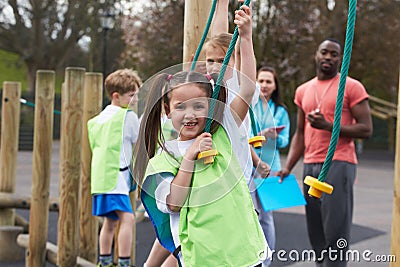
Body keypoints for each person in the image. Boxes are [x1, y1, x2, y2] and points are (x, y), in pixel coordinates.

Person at [278, 38, 372, 267]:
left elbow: (366, 129)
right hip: (310, 164)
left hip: (338, 163)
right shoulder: (303, 90)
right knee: (316, 231)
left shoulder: (351, 86)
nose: (328, 57)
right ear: (316, 55)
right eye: (324, 52)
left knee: (336, 231)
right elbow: (300, 133)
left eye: (334, 54)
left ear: (340, 58)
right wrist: (288, 166)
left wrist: (329, 126)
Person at [87, 69, 142, 267]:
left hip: (101, 178)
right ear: (116, 96)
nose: (135, 100)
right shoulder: (127, 117)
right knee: (128, 218)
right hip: (116, 177)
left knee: (110, 222)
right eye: (131, 95)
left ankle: (105, 261)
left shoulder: (95, 121)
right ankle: (124, 262)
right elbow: (139, 143)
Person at [253, 65, 290, 267]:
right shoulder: (249, 106)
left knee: (267, 216)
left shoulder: (281, 111)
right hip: (249, 164)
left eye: (269, 81)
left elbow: (285, 141)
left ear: (275, 86)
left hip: (270, 167)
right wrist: (260, 136)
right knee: (251, 213)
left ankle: (266, 261)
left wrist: (275, 137)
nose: (265, 85)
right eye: (261, 80)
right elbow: (245, 135)